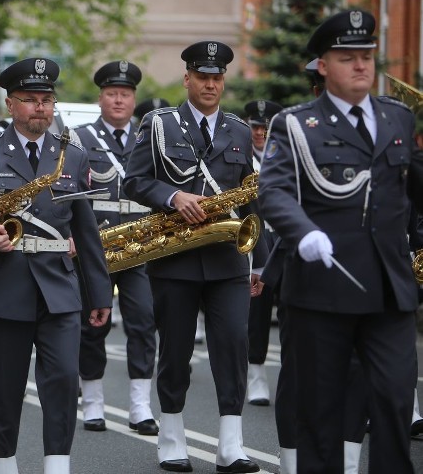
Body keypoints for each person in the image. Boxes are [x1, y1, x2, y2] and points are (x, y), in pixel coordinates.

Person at [0, 57, 111, 474]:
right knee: (4, 383)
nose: (40, 108)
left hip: (59, 288)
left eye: (46, 100)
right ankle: (5, 460)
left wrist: (99, 292)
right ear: (11, 105)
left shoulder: (73, 156)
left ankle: (57, 463)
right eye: (30, 100)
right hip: (4, 283)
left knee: (64, 378)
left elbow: (85, 232)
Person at [259, 10, 419, 473]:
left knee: (393, 397)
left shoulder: (398, 119)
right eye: (347, 58)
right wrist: (303, 231)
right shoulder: (295, 124)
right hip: (323, 286)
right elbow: (274, 191)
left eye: (366, 56)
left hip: (389, 288)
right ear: (323, 66)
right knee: (321, 410)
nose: (361, 66)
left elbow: (413, 193)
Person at [123, 41, 266, 473]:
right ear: (187, 79)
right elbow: (134, 181)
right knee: (176, 351)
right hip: (176, 258)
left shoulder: (239, 130)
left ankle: (231, 445)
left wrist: (258, 260)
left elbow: (252, 200)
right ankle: (171, 437)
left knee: (233, 346)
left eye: (217, 77)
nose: (210, 84)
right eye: (202, 76)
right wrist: (172, 195)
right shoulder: (159, 123)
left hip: (226, 257)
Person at [75, 60, 158, 436]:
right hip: (97, 244)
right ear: (101, 98)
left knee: (143, 323)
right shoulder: (80, 138)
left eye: (125, 94)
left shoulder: (150, 137)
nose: (119, 100)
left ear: (133, 98)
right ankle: (92, 403)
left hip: (140, 243)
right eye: (112, 93)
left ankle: (140, 407)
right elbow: (70, 192)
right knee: (93, 325)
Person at [241, 99, 283, 408]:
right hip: (255, 239)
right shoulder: (241, 157)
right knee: (257, 311)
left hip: (284, 241)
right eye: (255, 127)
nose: (260, 133)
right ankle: (255, 375)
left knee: (291, 308)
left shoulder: (285, 158)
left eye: (266, 128)